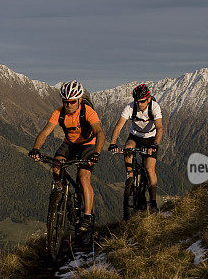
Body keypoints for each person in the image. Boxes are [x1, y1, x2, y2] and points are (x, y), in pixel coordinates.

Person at [28, 80, 105, 233]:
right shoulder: (59, 112)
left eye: (71, 102)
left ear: (79, 100)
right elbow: (45, 132)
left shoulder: (88, 111)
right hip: (69, 144)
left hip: (88, 145)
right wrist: (35, 148)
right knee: (56, 168)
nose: (68, 105)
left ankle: (87, 217)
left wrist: (96, 152)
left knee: (83, 177)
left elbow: (99, 132)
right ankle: (62, 194)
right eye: (65, 102)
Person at [107, 83, 163, 211]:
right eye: (137, 101)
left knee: (149, 169)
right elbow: (119, 125)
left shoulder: (154, 107)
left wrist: (155, 144)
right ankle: (130, 178)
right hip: (135, 136)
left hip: (150, 139)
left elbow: (160, 128)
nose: (139, 104)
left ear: (148, 99)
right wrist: (113, 143)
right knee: (128, 149)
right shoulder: (130, 107)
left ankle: (153, 202)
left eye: (142, 101)